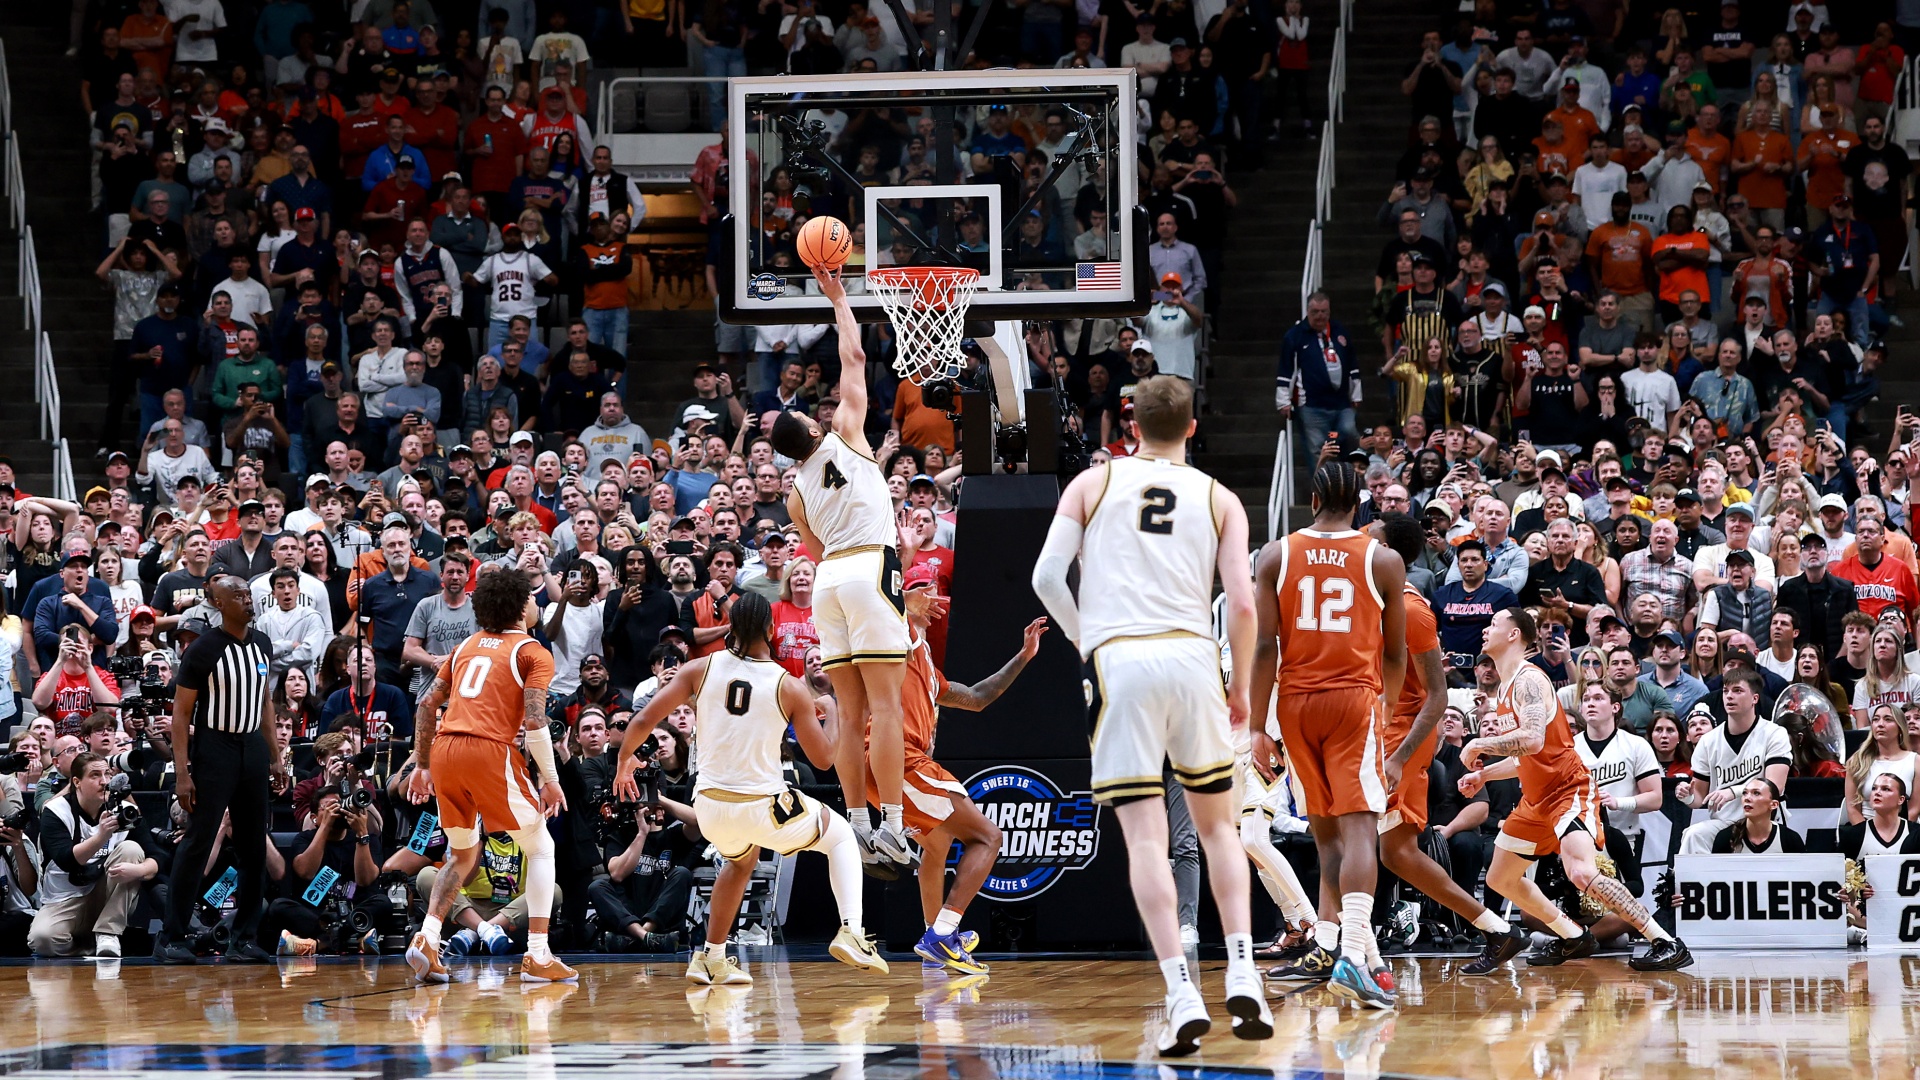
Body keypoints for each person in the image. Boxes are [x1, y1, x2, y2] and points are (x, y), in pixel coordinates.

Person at [1033, 374, 1271, 1051]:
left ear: (1130, 422)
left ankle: (1180, 989)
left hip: (1121, 661)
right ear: (1193, 427)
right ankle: (1244, 973)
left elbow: (1047, 578)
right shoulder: (1220, 497)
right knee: (1220, 831)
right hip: (1195, 657)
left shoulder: (1093, 483)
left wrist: (1089, 640)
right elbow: (1245, 604)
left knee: (1145, 840)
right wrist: (1243, 690)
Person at [611, 591, 889, 984]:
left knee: (740, 861)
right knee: (840, 836)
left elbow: (642, 721)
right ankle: (852, 931)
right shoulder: (789, 686)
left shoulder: (698, 668)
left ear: (731, 626)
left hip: (708, 806)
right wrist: (832, 712)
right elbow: (824, 759)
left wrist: (624, 764)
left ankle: (712, 957)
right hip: (760, 803)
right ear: (771, 629)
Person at [770, 265, 915, 869]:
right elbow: (853, 354)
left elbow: (809, 545)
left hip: (828, 580)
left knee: (850, 711)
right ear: (809, 427)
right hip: (869, 570)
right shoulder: (847, 432)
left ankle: (858, 821)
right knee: (887, 707)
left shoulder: (794, 491)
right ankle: (896, 825)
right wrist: (838, 298)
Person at [1247, 461, 1405, 1008]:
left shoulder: (1275, 554)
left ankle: (1337, 943)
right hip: (1351, 699)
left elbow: (1264, 646)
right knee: (1362, 830)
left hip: (1293, 703)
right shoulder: (1381, 559)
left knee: (1326, 837)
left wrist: (1255, 727)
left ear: (1312, 496)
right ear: (1360, 503)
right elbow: (1395, 652)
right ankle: (1355, 957)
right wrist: (1382, 714)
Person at [1461, 606, 1692, 970]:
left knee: (1582, 872)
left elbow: (1533, 740)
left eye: (1494, 624)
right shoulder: (1505, 687)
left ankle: (1664, 941)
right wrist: (1484, 776)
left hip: (1568, 788)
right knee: (1501, 878)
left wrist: (1479, 746)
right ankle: (1571, 935)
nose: (1486, 629)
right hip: (1536, 799)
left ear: (1514, 635)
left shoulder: (1529, 680)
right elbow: (1528, 756)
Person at [1364, 513, 1523, 975]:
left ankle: (1334, 940)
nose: (1360, 542)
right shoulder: (1373, 601)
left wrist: (1399, 756)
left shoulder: (1411, 610)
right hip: (1380, 735)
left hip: (1400, 741)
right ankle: (1494, 928)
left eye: (1370, 538)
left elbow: (1435, 697)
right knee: (1395, 853)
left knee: (1350, 838)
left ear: (1391, 553)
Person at [406, 567, 575, 984]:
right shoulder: (533, 651)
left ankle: (428, 937)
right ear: (520, 607)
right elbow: (535, 724)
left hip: (445, 750)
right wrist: (550, 778)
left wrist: (421, 764)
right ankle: (537, 954)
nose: (538, 604)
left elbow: (427, 705)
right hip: (487, 751)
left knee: (462, 853)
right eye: (533, 598)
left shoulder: (465, 646)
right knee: (540, 848)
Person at [882, 561, 1043, 973]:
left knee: (936, 846)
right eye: (922, 589)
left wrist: (1023, 656)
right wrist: (903, 598)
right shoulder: (898, 636)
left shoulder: (928, 670)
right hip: (899, 759)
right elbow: (877, 601)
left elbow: (976, 696)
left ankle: (934, 935)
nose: (930, 595)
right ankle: (943, 934)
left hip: (896, 764)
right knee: (988, 837)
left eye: (934, 588)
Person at [156, 575, 278, 964]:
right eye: (238, 596)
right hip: (215, 749)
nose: (247, 599)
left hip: (252, 748)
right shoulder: (203, 649)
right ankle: (171, 938)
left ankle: (242, 938)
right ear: (219, 604)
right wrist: (183, 773)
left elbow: (264, 704)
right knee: (198, 842)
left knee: (253, 846)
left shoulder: (262, 643)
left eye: (248, 593)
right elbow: (180, 715)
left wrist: (274, 755)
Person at [29, 752, 157, 958]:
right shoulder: (55, 811)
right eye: (95, 775)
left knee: (131, 849)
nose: (105, 781)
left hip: (106, 893)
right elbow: (66, 860)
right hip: (65, 898)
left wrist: (141, 870)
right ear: (77, 782)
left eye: (107, 774)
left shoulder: (126, 810)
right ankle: (91, 946)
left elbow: (156, 855)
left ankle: (108, 933)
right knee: (43, 941)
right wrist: (101, 836)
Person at [1679, 667, 1791, 852]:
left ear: (1755, 698)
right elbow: (1699, 798)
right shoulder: (1708, 741)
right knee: (1693, 834)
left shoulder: (1774, 733)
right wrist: (1687, 796)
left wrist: (1733, 791)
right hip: (1724, 824)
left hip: (1766, 824)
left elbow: (1775, 786)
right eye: (1726, 691)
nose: (1729, 696)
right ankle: (1686, 882)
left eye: (1737, 691)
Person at [1708, 778, 1804, 852]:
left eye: (1756, 793)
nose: (1747, 798)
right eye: (1745, 793)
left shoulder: (1790, 839)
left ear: (1774, 804)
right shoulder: (1725, 837)